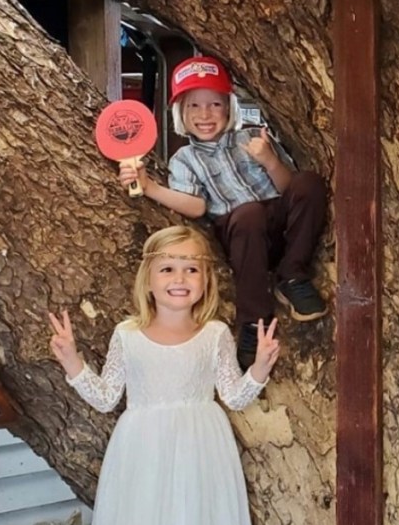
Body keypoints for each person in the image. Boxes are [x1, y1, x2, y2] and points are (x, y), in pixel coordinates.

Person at [48, 225, 279, 525]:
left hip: (201, 454)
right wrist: (72, 361)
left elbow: (234, 397)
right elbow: (107, 395)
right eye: (168, 268)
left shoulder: (213, 334)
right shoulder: (127, 335)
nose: (180, 277)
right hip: (143, 455)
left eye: (191, 268)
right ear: (148, 278)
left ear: (205, 280)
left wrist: (259, 368)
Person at [120, 55, 327, 369]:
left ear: (229, 107)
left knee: (309, 183)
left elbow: (289, 189)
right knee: (248, 215)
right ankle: (254, 319)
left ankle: (293, 276)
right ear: (180, 113)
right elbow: (196, 206)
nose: (205, 114)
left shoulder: (253, 137)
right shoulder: (184, 160)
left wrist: (270, 161)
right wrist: (149, 187)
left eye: (215, 104)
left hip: (280, 223)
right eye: (193, 106)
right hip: (243, 233)